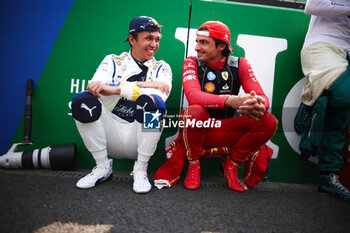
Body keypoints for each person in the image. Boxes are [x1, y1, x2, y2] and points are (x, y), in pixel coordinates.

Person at [154, 21, 277, 191]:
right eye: (197, 41)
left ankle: (231, 165)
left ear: (221, 46)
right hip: (200, 130)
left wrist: (254, 103)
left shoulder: (240, 64)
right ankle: (194, 165)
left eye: (203, 42)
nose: (197, 47)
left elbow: (262, 97)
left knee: (268, 120)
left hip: (227, 130)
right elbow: (193, 95)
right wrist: (230, 100)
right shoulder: (191, 62)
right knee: (193, 112)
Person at [71, 16, 172, 193]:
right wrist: (146, 85)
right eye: (148, 38)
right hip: (109, 132)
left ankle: (140, 169)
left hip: (139, 137)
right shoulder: (112, 61)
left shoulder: (162, 67)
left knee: (154, 105)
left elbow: (159, 94)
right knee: (82, 102)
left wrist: (117, 89)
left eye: (157, 39)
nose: (154, 44)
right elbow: (96, 87)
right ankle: (102, 167)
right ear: (132, 39)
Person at [298, 0, 350, 201]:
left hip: (346, 55)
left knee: (340, 113)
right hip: (324, 45)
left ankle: (329, 176)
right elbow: (312, 5)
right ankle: (312, 96)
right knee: (342, 95)